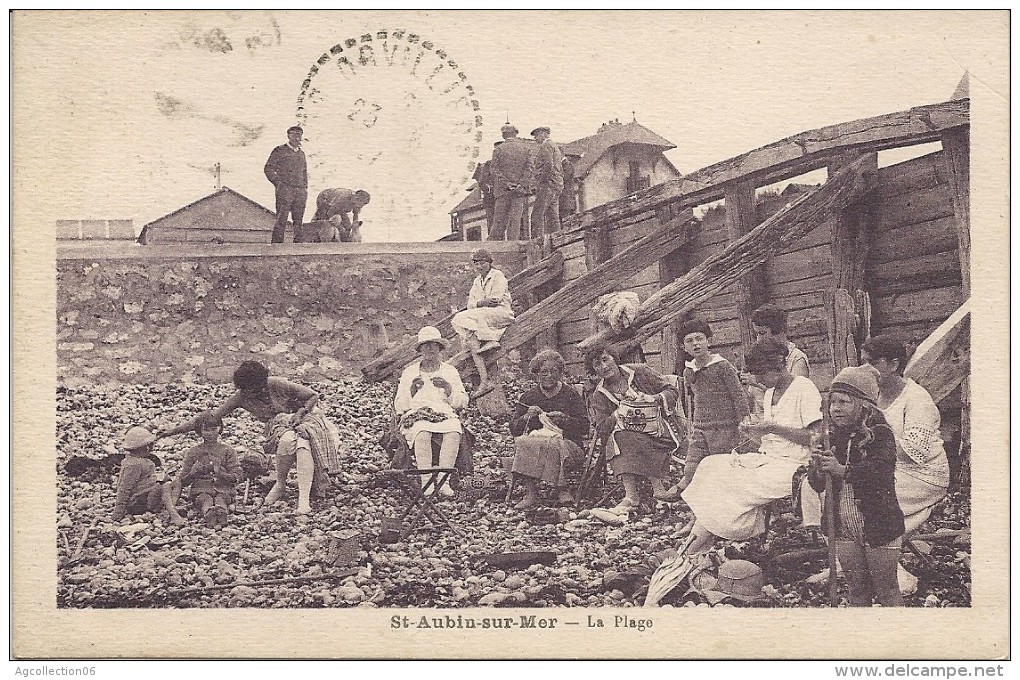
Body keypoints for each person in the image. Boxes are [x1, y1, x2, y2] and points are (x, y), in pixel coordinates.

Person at [680, 338, 823, 554]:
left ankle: (695, 545)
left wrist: (773, 428)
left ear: (778, 365)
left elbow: (816, 438)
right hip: (769, 460)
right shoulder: (768, 394)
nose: (758, 379)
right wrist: (753, 433)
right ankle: (703, 535)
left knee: (730, 484)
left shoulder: (803, 387)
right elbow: (769, 442)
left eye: (761, 373)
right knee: (710, 465)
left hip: (795, 465)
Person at [155, 361, 342, 515]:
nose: (251, 393)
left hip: (304, 417)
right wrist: (172, 431)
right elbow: (210, 418)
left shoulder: (276, 384)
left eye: (254, 389)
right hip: (278, 426)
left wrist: (300, 413)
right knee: (288, 441)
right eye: (246, 390)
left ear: (262, 382)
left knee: (303, 441)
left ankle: (299, 496)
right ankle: (284, 485)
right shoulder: (241, 397)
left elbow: (312, 396)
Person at [809, 364, 905, 607]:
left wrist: (841, 470)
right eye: (833, 402)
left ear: (863, 404)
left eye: (844, 402)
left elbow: (881, 474)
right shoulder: (829, 436)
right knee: (856, 589)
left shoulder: (881, 434)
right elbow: (818, 485)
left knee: (887, 590)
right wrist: (818, 467)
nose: (836, 408)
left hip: (878, 523)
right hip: (842, 526)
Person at [862, 334, 951, 593]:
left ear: (893, 364)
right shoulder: (872, 393)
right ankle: (857, 561)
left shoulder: (917, 399)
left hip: (923, 474)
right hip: (888, 467)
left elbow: (914, 453)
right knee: (842, 489)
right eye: (863, 363)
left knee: (868, 495)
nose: (866, 369)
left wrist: (872, 433)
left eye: (872, 363)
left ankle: (889, 572)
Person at [587, 344, 684, 513]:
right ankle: (631, 495)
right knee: (618, 436)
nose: (604, 366)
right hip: (628, 438)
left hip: (661, 430)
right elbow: (602, 428)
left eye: (605, 359)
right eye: (597, 364)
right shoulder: (600, 394)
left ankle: (658, 488)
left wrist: (651, 398)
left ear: (614, 358)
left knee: (629, 436)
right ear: (594, 370)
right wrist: (619, 412)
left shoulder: (639, 372)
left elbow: (671, 390)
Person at [672, 317, 750, 494]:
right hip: (700, 426)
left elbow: (738, 394)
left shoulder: (722, 366)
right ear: (684, 347)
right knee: (691, 464)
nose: (696, 344)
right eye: (689, 341)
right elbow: (693, 398)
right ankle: (687, 493)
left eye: (699, 339)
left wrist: (744, 419)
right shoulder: (688, 370)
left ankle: (722, 499)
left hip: (724, 426)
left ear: (709, 341)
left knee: (721, 464)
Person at [394, 326, 469, 497]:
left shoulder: (449, 371)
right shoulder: (410, 372)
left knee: (454, 431)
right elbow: (400, 405)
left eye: (433, 345)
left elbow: (462, 402)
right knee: (422, 432)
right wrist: (412, 390)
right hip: (417, 414)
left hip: (443, 413)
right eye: (425, 345)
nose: (429, 349)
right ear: (420, 349)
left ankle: (444, 480)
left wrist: (448, 388)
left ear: (440, 348)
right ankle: (426, 481)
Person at [509, 350, 589, 509]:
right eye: (544, 371)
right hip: (537, 447)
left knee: (554, 443)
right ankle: (531, 493)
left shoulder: (570, 395)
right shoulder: (529, 397)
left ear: (560, 373)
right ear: (537, 374)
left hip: (570, 447)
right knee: (523, 441)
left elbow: (585, 427)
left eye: (554, 371)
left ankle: (562, 488)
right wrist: (526, 417)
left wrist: (564, 419)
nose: (549, 375)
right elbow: (514, 429)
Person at [451, 249, 515, 397]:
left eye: (483, 263)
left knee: (470, 318)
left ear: (489, 263)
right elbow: (471, 305)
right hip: (483, 316)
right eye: (477, 264)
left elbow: (495, 300)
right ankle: (485, 380)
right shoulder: (477, 281)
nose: (480, 267)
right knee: (465, 329)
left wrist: (480, 304)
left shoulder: (497, 276)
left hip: (501, 314)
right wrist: (482, 302)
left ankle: (492, 339)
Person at [177, 412, 242, 529]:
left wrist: (221, 473)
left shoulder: (228, 451)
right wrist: (193, 473)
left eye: (214, 429)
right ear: (199, 431)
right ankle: (208, 513)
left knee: (222, 498)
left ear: (220, 428)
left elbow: (237, 476)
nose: (211, 433)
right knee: (204, 499)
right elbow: (182, 481)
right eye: (206, 430)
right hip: (201, 489)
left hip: (224, 488)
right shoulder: (193, 452)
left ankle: (222, 512)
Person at [743, 304, 810, 416]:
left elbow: (793, 400)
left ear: (779, 331)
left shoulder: (797, 358)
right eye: (757, 334)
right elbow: (751, 403)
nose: (758, 339)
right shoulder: (759, 355)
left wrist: (756, 383)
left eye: (762, 333)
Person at [111, 426, 183, 524]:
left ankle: (170, 506)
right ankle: (172, 513)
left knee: (176, 483)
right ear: (146, 447)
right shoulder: (134, 465)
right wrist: (118, 513)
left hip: (145, 496)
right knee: (165, 486)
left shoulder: (137, 461)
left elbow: (145, 480)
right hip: (138, 503)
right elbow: (124, 488)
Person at [488, 124, 534, 241]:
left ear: (503, 135)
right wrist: (520, 184)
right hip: (519, 191)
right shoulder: (525, 149)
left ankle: (493, 246)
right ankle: (513, 245)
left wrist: (507, 184)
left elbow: (494, 170)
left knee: (499, 220)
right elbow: (529, 169)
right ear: (516, 133)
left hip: (503, 191)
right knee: (515, 220)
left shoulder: (498, 150)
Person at [263, 126, 308, 244]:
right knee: (281, 218)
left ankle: (298, 246)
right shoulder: (279, 150)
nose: (297, 138)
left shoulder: (301, 154)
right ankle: (277, 247)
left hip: (300, 191)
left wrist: (304, 188)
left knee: (298, 220)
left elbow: (304, 172)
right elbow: (268, 168)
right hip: (285, 190)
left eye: (299, 135)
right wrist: (278, 183)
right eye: (294, 135)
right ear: (288, 136)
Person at [529, 126, 564, 237]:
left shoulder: (546, 146)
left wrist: (541, 180)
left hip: (546, 185)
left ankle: (537, 242)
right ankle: (558, 239)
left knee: (537, 215)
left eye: (536, 136)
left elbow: (548, 165)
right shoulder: (554, 146)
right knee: (553, 216)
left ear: (543, 134)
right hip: (556, 185)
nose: (535, 139)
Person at [472, 161, 495, 235]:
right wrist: (489, 188)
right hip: (490, 199)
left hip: (500, 197)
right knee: (492, 221)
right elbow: (481, 182)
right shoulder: (488, 165)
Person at [559, 152, 580, 219]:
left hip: (567, 199)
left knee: (567, 219)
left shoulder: (567, 164)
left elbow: (565, 178)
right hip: (564, 199)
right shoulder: (562, 164)